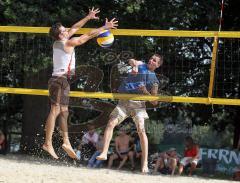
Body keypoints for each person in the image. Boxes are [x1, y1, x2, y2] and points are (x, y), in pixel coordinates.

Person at [42, 7, 118, 159]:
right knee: (55, 110)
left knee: (64, 112)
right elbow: (87, 36)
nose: (68, 30)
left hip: (62, 81)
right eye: (65, 29)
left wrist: (88, 17)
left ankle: (66, 142)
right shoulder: (67, 43)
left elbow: (75, 27)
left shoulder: (59, 42)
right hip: (59, 80)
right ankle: (47, 143)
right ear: (61, 34)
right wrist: (105, 27)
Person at [97, 54, 163, 173]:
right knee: (111, 123)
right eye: (151, 58)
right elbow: (131, 60)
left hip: (139, 105)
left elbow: (154, 102)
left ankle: (145, 164)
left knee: (141, 131)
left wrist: (145, 92)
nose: (151, 60)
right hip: (124, 102)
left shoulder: (154, 81)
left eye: (154, 60)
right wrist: (135, 66)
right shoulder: (141, 64)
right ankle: (104, 152)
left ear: (157, 65)